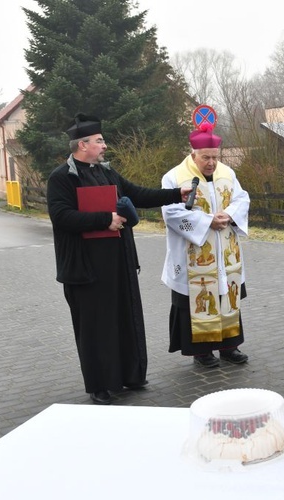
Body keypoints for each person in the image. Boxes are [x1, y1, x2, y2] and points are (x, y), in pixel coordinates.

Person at [47, 113, 192, 405]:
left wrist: (177, 193)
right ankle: (100, 385)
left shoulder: (108, 173)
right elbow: (62, 217)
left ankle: (129, 375)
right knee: (95, 327)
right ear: (82, 144)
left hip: (118, 264)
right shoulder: (61, 178)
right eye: (100, 141)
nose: (105, 145)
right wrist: (105, 219)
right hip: (85, 269)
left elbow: (139, 194)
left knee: (124, 319)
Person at [161, 124, 251, 368]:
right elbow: (171, 213)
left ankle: (230, 347)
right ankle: (202, 351)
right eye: (206, 158)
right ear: (193, 154)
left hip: (225, 250)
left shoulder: (227, 173)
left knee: (226, 293)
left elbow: (242, 198)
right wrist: (206, 221)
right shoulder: (174, 177)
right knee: (200, 298)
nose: (211, 162)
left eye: (215, 157)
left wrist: (229, 215)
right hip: (195, 254)